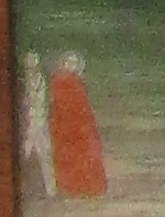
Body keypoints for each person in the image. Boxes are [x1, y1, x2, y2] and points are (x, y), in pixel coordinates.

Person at [47, 49, 108, 197]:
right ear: (63, 63)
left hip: (82, 126)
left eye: (74, 62)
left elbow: (83, 106)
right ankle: (72, 189)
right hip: (66, 126)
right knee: (70, 158)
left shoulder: (77, 80)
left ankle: (88, 188)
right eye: (68, 62)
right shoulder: (60, 81)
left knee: (87, 156)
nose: (71, 65)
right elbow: (60, 105)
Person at [16, 47, 55, 193]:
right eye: (29, 60)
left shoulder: (42, 79)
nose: (31, 62)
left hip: (40, 119)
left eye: (34, 59)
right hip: (27, 121)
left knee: (45, 153)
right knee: (24, 153)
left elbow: (45, 99)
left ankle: (51, 189)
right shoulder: (21, 80)